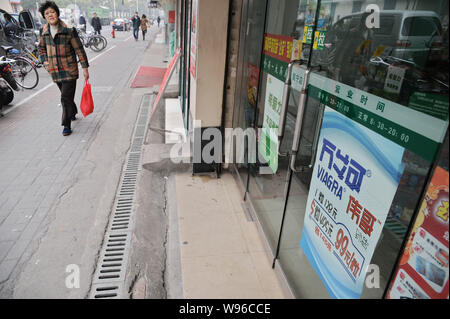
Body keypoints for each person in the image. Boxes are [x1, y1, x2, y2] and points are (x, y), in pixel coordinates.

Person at [38, 1, 90, 136]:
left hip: (69, 70)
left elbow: (79, 49)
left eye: (52, 12)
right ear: (44, 17)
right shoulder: (43, 31)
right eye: (47, 13)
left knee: (65, 98)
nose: (50, 15)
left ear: (57, 13)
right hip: (54, 71)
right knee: (66, 95)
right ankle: (72, 111)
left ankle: (66, 125)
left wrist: (85, 68)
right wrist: (45, 62)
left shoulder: (68, 29)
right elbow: (41, 49)